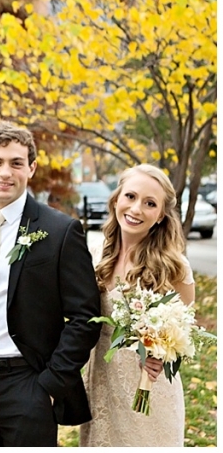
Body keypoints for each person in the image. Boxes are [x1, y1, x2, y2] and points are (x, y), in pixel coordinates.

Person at [0, 121, 102, 446]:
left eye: (16, 163)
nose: (5, 173)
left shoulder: (60, 230)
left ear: (31, 168)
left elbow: (85, 316)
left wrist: (50, 385)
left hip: (27, 385)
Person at [80, 164, 194, 447]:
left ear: (161, 215)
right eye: (130, 196)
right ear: (116, 199)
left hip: (149, 390)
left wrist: (162, 356)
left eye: (150, 203)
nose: (136, 209)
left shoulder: (174, 267)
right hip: (101, 384)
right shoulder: (95, 255)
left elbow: (184, 331)